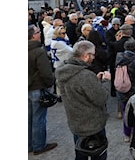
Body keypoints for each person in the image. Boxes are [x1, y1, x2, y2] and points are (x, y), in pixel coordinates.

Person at [55, 40, 111, 160]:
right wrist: (106, 81)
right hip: (92, 125)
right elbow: (102, 98)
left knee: (80, 154)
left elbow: (77, 91)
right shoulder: (84, 75)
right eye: (93, 55)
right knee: (99, 155)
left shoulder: (63, 72)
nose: (94, 58)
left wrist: (95, 82)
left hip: (76, 123)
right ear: (86, 56)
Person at [28, 25, 58, 155]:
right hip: (37, 87)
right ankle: (39, 145)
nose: (40, 33)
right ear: (33, 35)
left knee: (29, 118)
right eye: (37, 32)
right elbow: (46, 73)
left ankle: (29, 144)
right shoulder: (38, 51)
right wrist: (50, 84)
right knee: (39, 119)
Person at [115, 38, 135, 142]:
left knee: (125, 112)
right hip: (133, 90)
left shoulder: (118, 57)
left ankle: (127, 134)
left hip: (121, 88)